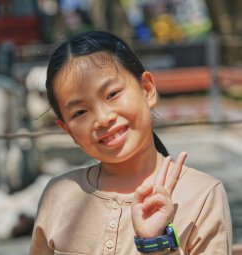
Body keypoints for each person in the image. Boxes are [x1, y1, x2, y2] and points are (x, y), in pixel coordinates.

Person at [29, 31, 232, 254]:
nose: (103, 118)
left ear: (147, 89)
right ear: (68, 130)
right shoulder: (58, 196)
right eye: (80, 112)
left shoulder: (201, 194)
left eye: (112, 94)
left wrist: (155, 243)